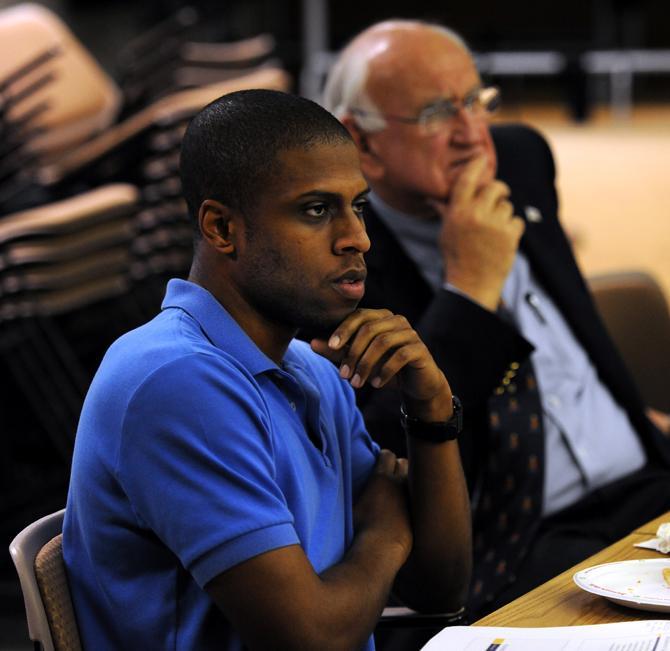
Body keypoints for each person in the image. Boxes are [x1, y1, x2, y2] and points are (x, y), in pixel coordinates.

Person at [62, 89, 472, 650]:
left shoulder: (312, 371)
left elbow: (440, 590)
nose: (358, 237)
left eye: (359, 206)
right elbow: (311, 641)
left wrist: (431, 412)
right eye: (316, 209)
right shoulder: (175, 380)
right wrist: (386, 527)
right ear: (222, 229)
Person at [323, 19, 670, 616]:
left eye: (475, 102)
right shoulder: (338, 258)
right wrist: (469, 291)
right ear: (364, 143)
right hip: (523, 538)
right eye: (436, 113)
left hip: (647, 483)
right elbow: (381, 448)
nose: (471, 135)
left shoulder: (521, 159)